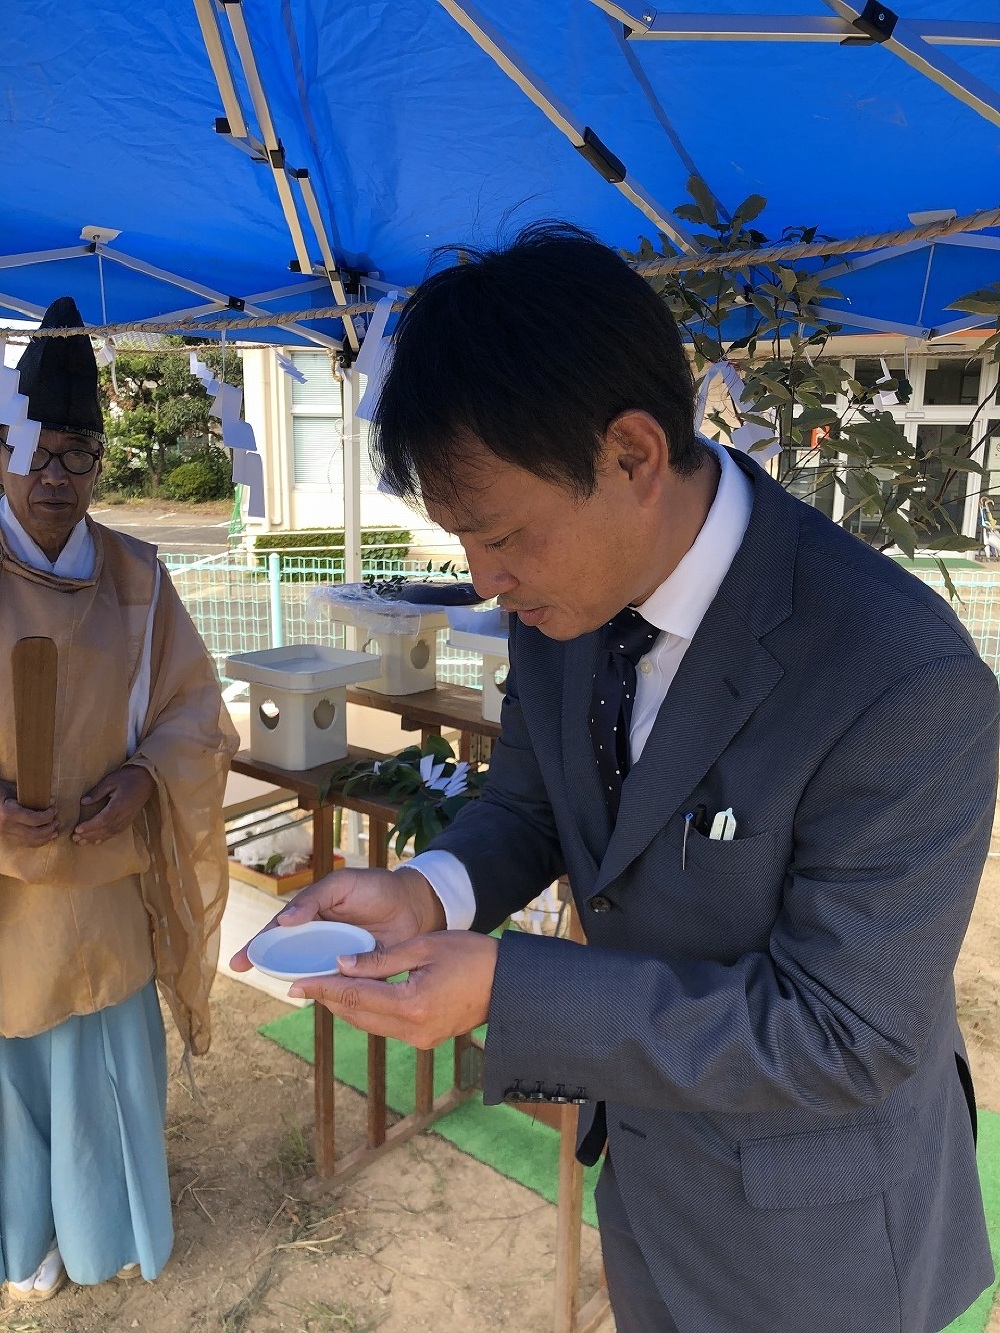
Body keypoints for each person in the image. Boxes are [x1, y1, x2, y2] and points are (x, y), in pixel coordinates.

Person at [234, 226, 998, 1332]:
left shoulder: (896, 675)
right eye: (462, 543)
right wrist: (429, 892)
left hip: (818, 1240)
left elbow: (844, 1033)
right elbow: (537, 805)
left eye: (501, 537)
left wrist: (503, 985)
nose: (488, 584)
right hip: (646, 1178)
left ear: (633, 455)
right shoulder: (565, 601)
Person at [0, 298, 237, 1302]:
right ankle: (27, 1246)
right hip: (9, 891)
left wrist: (144, 777)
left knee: (111, 1064)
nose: (59, 476)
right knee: (16, 1078)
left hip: (110, 865)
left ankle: (119, 1228)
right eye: (39, 453)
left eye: (80, 455)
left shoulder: (137, 573)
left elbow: (195, 708)